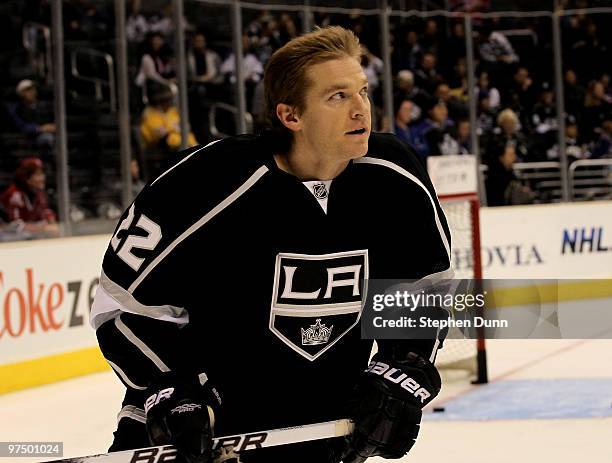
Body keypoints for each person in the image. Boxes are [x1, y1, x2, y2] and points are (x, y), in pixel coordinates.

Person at [91, 26, 449, 463]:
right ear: (290, 115)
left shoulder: (395, 178)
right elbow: (124, 306)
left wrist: (399, 373)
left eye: (363, 92)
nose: (361, 110)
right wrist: (171, 390)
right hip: (199, 441)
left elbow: (422, 288)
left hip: (321, 435)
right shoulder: (206, 182)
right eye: (337, 97)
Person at [0, 157, 59, 237]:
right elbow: (15, 225)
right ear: (27, 178)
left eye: (42, 174)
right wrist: (43, 229)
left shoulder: (39, 193)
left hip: (29, 231)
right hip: (8, 235)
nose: (42, 178)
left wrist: (52, 223)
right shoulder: (15, 194)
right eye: (37, 175)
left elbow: (46, 212)